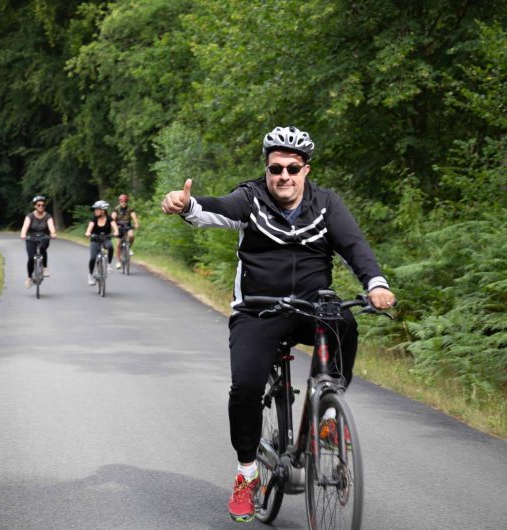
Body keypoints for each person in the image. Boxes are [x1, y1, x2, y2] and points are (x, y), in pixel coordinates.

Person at [161, 125, 396, 523]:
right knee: (247, 387)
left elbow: (354, 246)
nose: (283, 176)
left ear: (305, 170)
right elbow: (217, 208)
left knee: (345, 322)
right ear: (266, 169)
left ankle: (328, 413)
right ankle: (247, 473)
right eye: (275, 168)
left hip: (311, 308)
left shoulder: (326, 204)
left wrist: (376, 284)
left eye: (292, 167)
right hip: (258, 310)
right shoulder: (251, 199)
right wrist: (186, 205)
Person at [19, 195, 57, 288]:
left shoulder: (48, 216)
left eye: (43, 205)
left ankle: (45, 267)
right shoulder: (30, 216)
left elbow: (51, 226)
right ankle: (29, 278)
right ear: (35, 206)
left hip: (44, 237)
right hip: (31, 239)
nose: (41, 207)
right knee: (31, 258)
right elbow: (25, 226)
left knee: (42, 248)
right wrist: (23, 234)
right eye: (39, 205)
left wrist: (53, 233)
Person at [84, 200, 119, 285]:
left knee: (110, 247)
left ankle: (109, 265)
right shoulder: (94, 219)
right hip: (95, 240)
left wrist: (116, 232)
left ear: (103, 210)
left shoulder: (109, 218)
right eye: (95, 209)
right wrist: (88, 233)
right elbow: (89, 229)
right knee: (93, 258)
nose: (95, 211)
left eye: (97, 209)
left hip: (106, 238)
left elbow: (115, 227)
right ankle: (90, 275)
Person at [111, 194, 139, 268]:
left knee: (131, 236)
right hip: (119, 226)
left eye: (125, 201)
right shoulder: (116, 209)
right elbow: (112, 218)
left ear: (127, 202)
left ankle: (128, 248)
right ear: (119, 201)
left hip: (127, 226)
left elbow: (134, 217)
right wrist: (115, 227)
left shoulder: (130, 209)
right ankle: (118, 262)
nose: (123, 203)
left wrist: (136, 224)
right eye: (122, 201)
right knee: (118, 244)